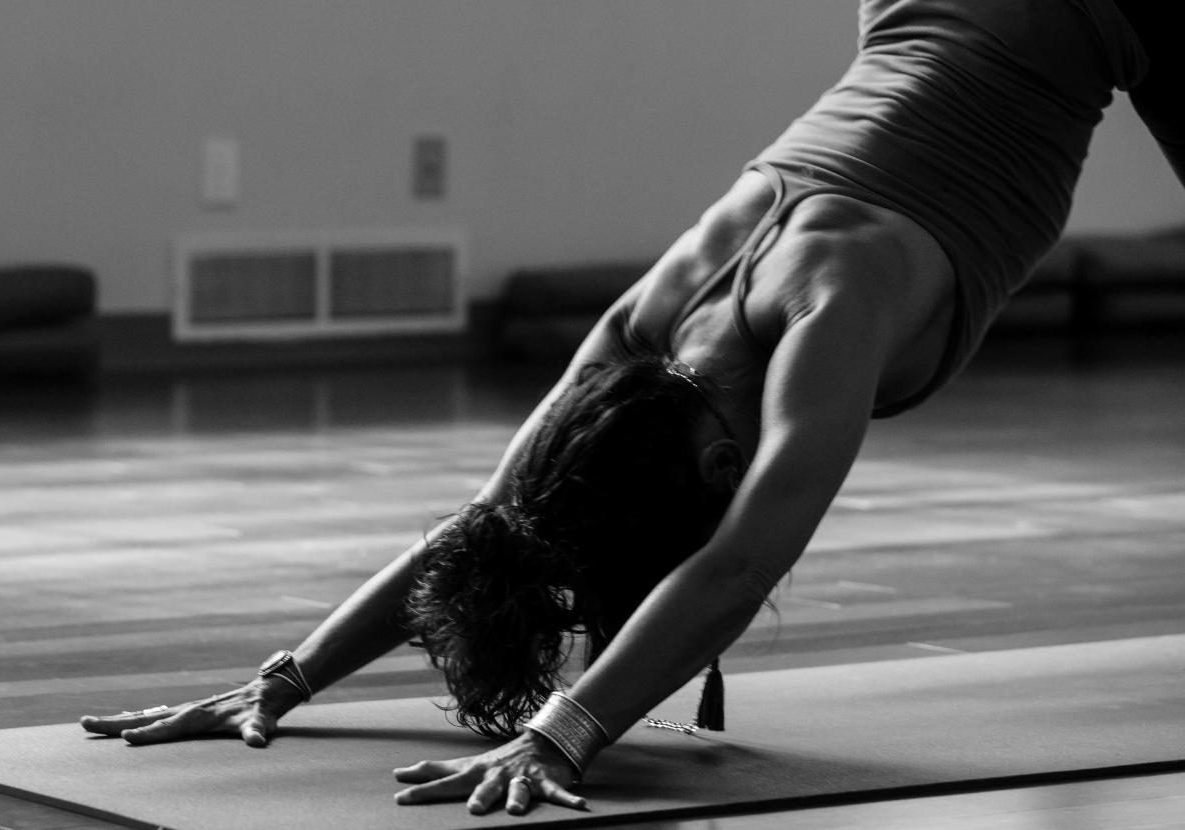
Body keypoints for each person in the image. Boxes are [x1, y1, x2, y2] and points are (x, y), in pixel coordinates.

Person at [82, 0, 1182, 816]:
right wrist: (283, 677)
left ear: (714, 469)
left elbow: (738, 565)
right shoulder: (637, 339)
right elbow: (491, 522)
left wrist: (564, 735)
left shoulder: (825, 309)